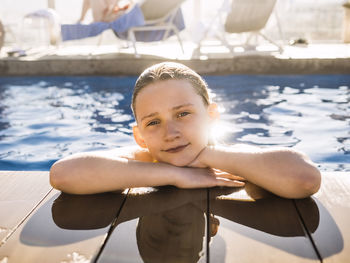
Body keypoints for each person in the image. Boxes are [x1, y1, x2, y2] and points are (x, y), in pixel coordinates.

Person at [50, 62, 321, 198]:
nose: (171, 132)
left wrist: (207, 157)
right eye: (153, 122)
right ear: (139, 137)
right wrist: (174, 174)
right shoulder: (142, 158)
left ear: (212, 116)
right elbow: (64, 174)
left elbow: (304, 179)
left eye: (183, 114)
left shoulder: (232, 160)